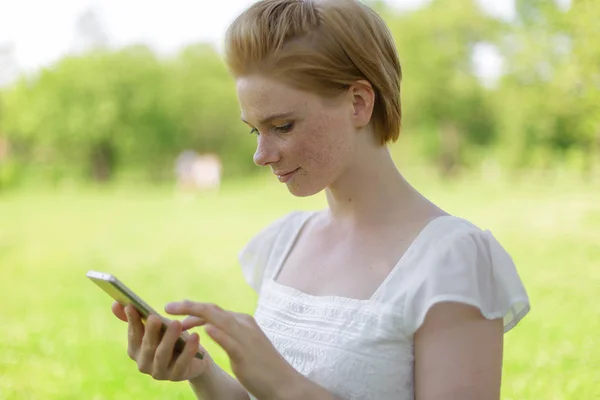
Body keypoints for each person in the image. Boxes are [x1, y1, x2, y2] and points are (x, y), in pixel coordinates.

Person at [111, 0, 531, 399]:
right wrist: (200, 371)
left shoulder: (449, 261)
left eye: (283, 125)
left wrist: (286, 388)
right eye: (256, 131)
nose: (261, 155)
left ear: (359, 103)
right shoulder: (286, 241)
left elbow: (282, 392)